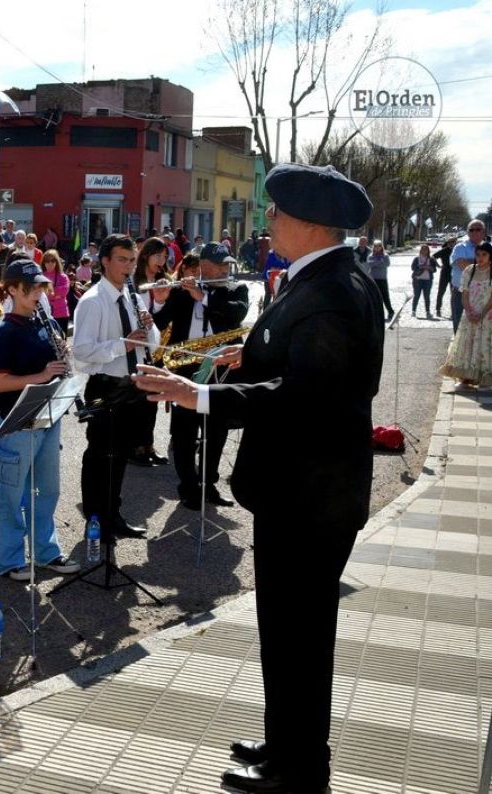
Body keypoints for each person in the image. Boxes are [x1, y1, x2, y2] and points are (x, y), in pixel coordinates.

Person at [133, 162, 384, 794]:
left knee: (301, 635)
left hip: (311, 498)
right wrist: (253, 356)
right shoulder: (319, 276)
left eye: (275, 212)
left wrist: (199, 396)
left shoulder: (333, 290)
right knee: (284, 629)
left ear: (310, 223)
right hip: (297, 491)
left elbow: (306, 397)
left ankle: (301, 771)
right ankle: (285, 745)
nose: (267, 221)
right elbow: (297, 363)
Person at [0, 260, 80, 580]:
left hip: (48, 415)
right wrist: (42, 375)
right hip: (19, 421)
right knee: (11, 495)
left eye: (41, 287)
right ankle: (8, 560)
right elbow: (1, 383)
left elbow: (57, 366)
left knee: (47, 490)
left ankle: (46, 552)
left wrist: (64, 357)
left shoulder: (48, 322)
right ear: (13, 289)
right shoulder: (5, 332)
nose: (39, 294)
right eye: (32, 288)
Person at [70, 233, 156, 541]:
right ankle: (96, 521)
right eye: (121, 259)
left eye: (132, 260)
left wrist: (149, 327)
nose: (128, 266)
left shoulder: (133, 297)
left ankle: (113, 515)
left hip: (131, 386)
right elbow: (81, 352)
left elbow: (152, 344)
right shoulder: (93, 301)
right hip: (104, 388)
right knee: (99, 456)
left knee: (119, 456)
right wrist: (124, 344)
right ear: (104, 261)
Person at [152, 247, 249, 510]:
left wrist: (203, 297)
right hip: (185, 367)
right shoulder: (182, 291)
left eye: (227, 265)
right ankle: (188, 487)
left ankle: (209, 484)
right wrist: (159, 300)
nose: (225, 269)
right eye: (220, 265)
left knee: (215, 430)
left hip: (220, 369)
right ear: (204, 265)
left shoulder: (236, 290)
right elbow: (159, 322)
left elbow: (237, 313)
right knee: (184, 430)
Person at [128, 237, 172, 467]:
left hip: (157, 349)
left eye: (165, 257)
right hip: (137, 347)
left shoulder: (164, 281)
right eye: (158, 255)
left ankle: (149, 445)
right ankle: (135, 447)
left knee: (152, 401)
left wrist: (162, 300)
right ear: (146, 255)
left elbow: (162, 319)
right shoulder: (134, 282)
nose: (161, 261)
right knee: (138, 400)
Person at [440, 240, 492, 388]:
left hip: (487, 314)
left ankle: (485, 376)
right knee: (468, 343)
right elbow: (464, 294)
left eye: (484, 254)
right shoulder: (469, 270)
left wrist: (481, 314)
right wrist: (469, 311)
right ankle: (466, 377)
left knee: (484, 344)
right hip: (470, 312)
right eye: (478, 254)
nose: (480, 257)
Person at [449, 220, 487, 333]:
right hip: (460, 293)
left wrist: (470, 262)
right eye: (471, 230)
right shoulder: (460, 247)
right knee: (459, 327)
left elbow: (468, 265)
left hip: (484, 294)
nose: (474, 232)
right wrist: (484, 263)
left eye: (478, 229)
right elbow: (462, 264)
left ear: (483, 232)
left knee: (483, 327)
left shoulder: (489, 247)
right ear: (467, 232)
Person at [40, 249, 71, 333]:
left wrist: (49, 292)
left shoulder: (63, 276)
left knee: (62, 340)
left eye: (53, 261)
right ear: (43, 262)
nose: (50, 263)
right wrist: (55, 294)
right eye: (47, 261)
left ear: (57, 262)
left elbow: (64, 291)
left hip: (61, 313)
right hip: (45, 315)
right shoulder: (40, 277)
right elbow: (39, 294)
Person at [367, 239, 393, 321]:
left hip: (382, 279)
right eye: (375, 246)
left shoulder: (385, 256)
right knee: (374, 297)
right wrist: (379, 262)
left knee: (385, 296)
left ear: (381, 247)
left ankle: (390, 311)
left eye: (379, 246)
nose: (377, 247)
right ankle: (377, 313)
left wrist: (376, 263)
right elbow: (370, 264)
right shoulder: (371, 255)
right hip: (373, 279)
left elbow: (387, 264)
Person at [433, 237, 456, 320]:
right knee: (441, 291)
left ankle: (453, 311)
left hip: (454, 273)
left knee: (454, 293)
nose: (451, 244)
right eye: (450, 242)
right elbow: (433, 257)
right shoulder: (444, 250)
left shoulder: (457, 250)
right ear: (447, 243)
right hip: (445, 272)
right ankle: (438, 309)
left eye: (453, 242)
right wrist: (438, 265)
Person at [410, 243, 435, 319]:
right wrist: (421, 267)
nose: (424, 251)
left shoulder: (431, 259)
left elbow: (434, 270)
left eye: (426, 249)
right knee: (416, 295)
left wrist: (429, 268)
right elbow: (413, 268)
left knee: (427, 296)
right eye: (423, 249)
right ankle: (413, 311)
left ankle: (428, 312)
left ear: (428, 251)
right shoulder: (416, 259)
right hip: (417, 280)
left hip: (428, 280)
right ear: (420, 250)